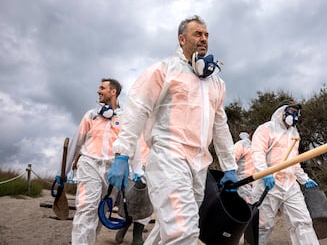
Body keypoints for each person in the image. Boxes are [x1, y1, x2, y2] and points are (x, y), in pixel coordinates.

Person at [109, 15, 238, 244]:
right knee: (183, 231)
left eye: (206, 35)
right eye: (197, 34)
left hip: (200, 165)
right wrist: (122, 154)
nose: (204, 39)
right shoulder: (164, 70)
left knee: (166, 230)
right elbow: (137, 109)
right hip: (169, 158)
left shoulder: (216, 82)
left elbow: (220, 126)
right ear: (181, 39)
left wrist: (229, 167)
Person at [251, 99, 319, 245]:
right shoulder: (266, 129)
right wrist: (264, 173)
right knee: (263, 225)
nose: (295, 116)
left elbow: (294, 161)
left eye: (297, 113)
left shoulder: (295, 134)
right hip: (268, 184)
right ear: (281, 112)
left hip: (290, 184)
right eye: (292, 112)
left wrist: (304, 179)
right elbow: (257, 153)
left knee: (303, 221)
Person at [69, 78, 123, 245]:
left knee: (101, 213)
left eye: (102, 88)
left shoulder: (126, 118)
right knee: (86, 209)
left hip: (113, 170)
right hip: (89, 164)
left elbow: (132, 145)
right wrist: (62, 172)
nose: (98, 91)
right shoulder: (91, 115)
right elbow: (76, 143)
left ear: (113, 92)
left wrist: (137, 171)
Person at [115, 136, 153, 245]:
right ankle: (124, 226)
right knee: (130, 200)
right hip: (132, 166)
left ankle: (137, 235)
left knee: (146, 202)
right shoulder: (138, 124)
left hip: (152, 167)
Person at [234, 129, 255, 204]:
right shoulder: (242, 144)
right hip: (241, 181)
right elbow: (232, 159)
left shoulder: (260, 148)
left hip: (254, 183)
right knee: (245, 204)